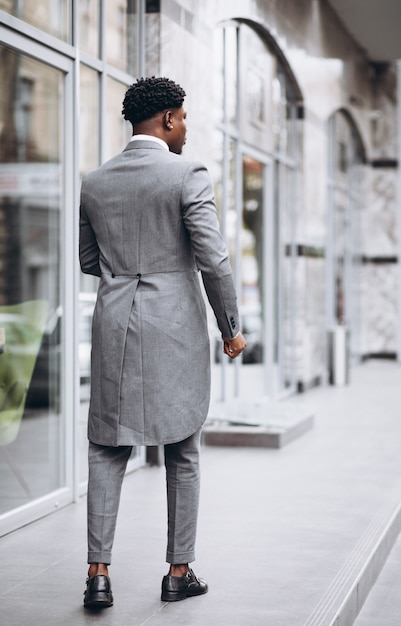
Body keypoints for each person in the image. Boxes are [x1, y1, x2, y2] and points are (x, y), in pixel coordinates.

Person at [79, 76, 246, 609]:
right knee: (183, 446)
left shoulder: (95, 180)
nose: (187, 128)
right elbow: (212, 258)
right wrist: (231, 328)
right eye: (184, 118)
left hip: (113, 324)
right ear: (169, 119)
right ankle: (178, 571)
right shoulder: (186, 173)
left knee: (107, 446)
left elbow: (89, 261)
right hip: (173, 326)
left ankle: (98, 574)